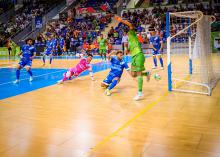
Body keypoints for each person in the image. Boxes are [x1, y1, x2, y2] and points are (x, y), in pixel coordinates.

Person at [115, 15, 150, 101]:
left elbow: (130, 25)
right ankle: (146, 74)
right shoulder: (129, 41)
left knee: (138, 74)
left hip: (138, 55)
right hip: (133, 57)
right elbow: (128, 51)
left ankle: (140, 93)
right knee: (133, 75)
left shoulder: (132, 34)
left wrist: (121, 20)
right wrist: (126, 50)